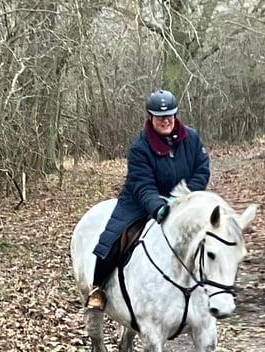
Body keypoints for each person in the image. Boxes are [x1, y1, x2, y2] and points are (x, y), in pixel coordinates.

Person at [86, 89, 211, 309]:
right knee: (113, 238)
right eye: (160, 117)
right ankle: (98, 287)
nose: (166, 121)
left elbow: (201, 171)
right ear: (150, 117)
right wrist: (159, 207)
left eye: (170, 115)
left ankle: (215, 285)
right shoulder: (139, 148)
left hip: (184, 200)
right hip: (139, 201)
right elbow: (143, 185)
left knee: (212, 235)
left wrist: (180, 197)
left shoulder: (191, 138)